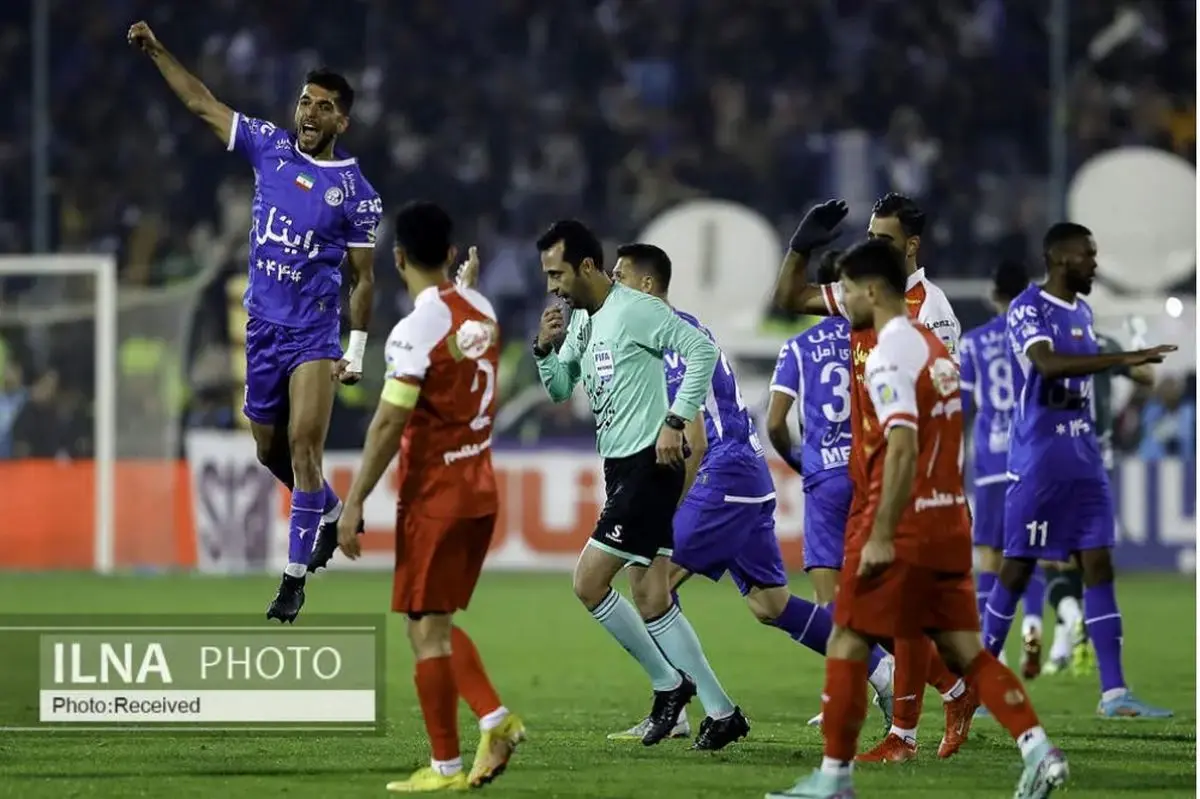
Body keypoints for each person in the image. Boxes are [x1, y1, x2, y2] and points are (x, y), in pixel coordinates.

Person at [767, 239, 1069, 799]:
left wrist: (881, 533)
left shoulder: (887, 354)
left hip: (902, 523)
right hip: (950, 520)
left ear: (874, 290)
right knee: (968, 652)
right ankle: (1039, 752)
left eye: (850, 289)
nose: (843, 301)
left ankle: (834, 779)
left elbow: (902, 445)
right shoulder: (934, 346)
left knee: (848, 638)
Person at [128, 22, 380, 622]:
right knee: (269, 450)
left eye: (324, 107)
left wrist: (359, 351)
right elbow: (200, 102)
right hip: (262, 329)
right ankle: (328, 510)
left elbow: (364, 278)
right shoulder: (267, 147)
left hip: (314, 334)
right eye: (305, 101)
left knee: (303, 447)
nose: (310, 112)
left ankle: (292, 582)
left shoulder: (355, 192)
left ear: (342, 122)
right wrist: (159, 49)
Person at [597, 244, 890, 747]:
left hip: (722, 476)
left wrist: (667, 509)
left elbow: (697, 436)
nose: (611, 282)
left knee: (649, 580)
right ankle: (880, 667)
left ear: (646, 286)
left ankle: (681, 701)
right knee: (769, 605)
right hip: (744, 479)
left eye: (619, 275)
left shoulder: (667, 341)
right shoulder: (671, 329)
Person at [772, 195, 975, 761]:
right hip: (870, 477)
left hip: (912, 481)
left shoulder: (930, 311)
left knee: (901, 614)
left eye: (883, 240)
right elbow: (789, 297)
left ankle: (916, 725)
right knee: (877, 613)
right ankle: (949, 700)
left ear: (911, 247)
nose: (871, 248)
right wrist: (801, 245)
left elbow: (934, 408)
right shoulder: (867, 293)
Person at [335, 202, 524, 792]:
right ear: (449, 253)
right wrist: (458, 289)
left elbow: (391, 423)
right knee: (431, 623)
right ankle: (476, 736)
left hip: (436, 495)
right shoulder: (483, 310)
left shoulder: (412, 330)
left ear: (396, 260)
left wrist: (355, 499)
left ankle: (470, 743)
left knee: (425, 629)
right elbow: (460, 329)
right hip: (481, 489)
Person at [533, 220, 743, 747]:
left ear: (586, 266)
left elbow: (701, 352)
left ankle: (669, 685)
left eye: (557, 273)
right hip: (620, 469)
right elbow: (560, 389)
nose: (552, 286)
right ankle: (721, 713)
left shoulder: (637, 308)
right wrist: (544, 349)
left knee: (588, 581)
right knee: (651, 595)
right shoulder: (582, 321)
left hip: (651, 465)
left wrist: (675, 420)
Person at [980, 222, 1174, 718]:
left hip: (1084, 459)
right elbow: (1046, 365)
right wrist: (1122, 358)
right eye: (1088, 256)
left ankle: (1114, 693)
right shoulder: (1029, 308)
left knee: (1099, 565)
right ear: (1062, 259)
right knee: (1017, 569)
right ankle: (978, 684)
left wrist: (1123, 363)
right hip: (1040, 461)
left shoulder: (1084, 313)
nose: (1095, 264)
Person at [766, 250, 895, 728]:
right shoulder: (875, 338)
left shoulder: (799, 347)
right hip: (869, 473)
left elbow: (776, 423)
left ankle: (844, 695)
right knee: (877, 593)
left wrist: (802, 460)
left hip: (824, 477)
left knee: (829, 601)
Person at [1042, 326, 1155, 676]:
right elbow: (1146, 375)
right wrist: (1139, 341)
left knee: (1052, 557)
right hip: (1099, 457)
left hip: (1061, 454)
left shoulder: (1048, 347)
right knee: (1082, 554)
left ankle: (1073, 623)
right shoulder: (1105, 343)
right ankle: (1067, 642)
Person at [959, 260, 1047, 679]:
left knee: (989, 559)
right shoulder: (1036, 339)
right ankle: (1032, 625)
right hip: (1032, 455)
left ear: (994, 295)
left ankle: (994, 657)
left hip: (991, 462)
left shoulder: (974, 342)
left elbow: (961, 408)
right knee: (1029, 553)